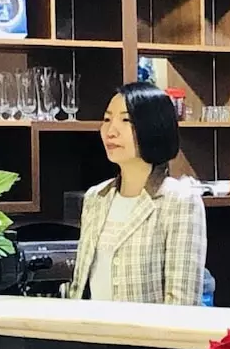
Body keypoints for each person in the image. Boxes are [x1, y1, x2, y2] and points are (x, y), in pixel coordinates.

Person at [67, 82, 207, 305]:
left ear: (154, 127)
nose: (111, 131)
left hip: (146, 329)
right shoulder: (96, 197)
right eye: (107, 120)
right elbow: (79, 287)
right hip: (91, 326)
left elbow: (182, 302)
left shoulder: (179, 200)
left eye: (125, 120)